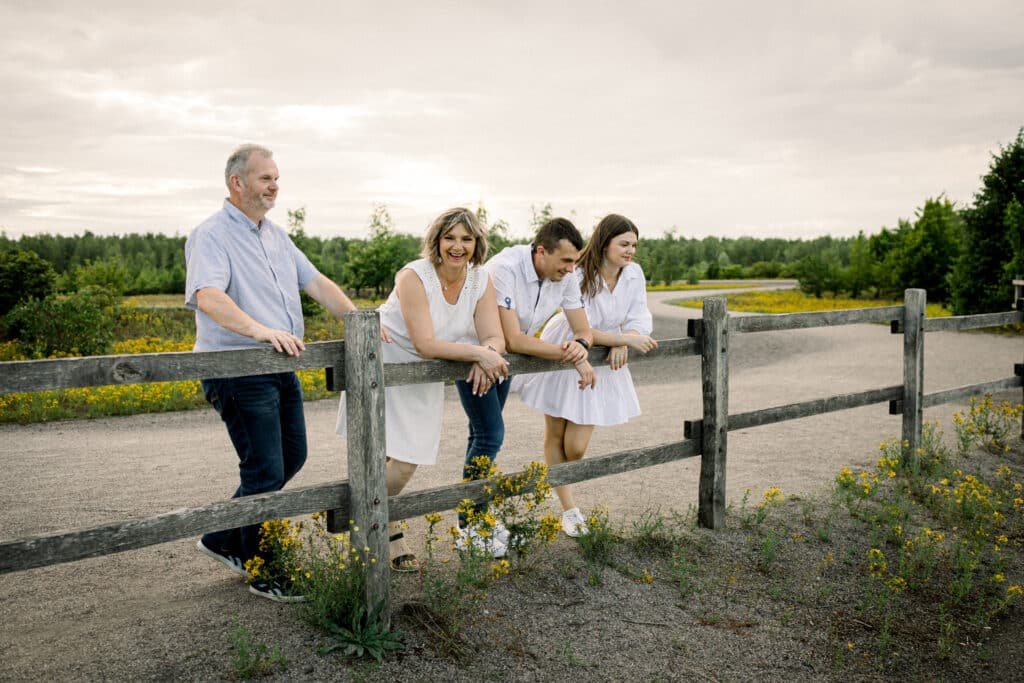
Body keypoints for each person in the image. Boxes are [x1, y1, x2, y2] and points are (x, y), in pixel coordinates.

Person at [186, 144, 358, 602]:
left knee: (292, 457)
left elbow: (316, 282)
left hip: (280, 364)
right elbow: (208, 296)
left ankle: (223, 537)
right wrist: (261, 331)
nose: (274, 185)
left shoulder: (277, 236)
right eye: (265, 178)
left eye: (277, 177)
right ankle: (264, 568)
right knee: (264, 470)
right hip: (239, 369)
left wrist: (360, 320)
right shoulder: (212, 235)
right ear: (236, 183)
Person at [336, 207, 509, 567]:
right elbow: (425, 344)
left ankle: (363, 520)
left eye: (466, 238)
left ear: (477, 243)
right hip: (384, 360)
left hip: (425, 372)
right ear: (437, 241)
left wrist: (487, 352)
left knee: (407, 459)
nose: (457, 246)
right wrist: (478, 353)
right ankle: (382, 533)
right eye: (450, 237)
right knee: (381, 456)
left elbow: (494, 334)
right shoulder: (413, 276)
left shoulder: (481, 280)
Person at [517, 214, 657, 536]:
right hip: (567, 346)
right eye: (624, 244)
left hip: (602, 359)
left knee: (576, 447)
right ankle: (569, 510)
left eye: (634, 245)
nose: (630, 251)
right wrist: (623, 338)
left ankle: (563, 491)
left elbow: (639, 314)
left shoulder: (633, 274)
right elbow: (584, 328)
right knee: (556, 433)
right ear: (605, 242)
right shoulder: (578, 272)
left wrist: (629, 335)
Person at [464, 218, 596, 549]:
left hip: (504, 359)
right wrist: (572, 356)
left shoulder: (567, 274)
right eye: (565, 261)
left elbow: (583, 329)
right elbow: (515, 338)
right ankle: (472, 527)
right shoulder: (506, 268)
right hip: (474, 351)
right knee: (489, 434)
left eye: (574, 262)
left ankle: (474, 520)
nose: (570, 269)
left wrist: (581, 347)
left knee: (480, 435)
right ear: (541, 252)